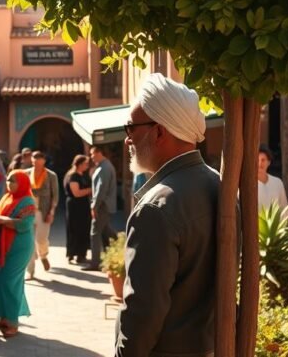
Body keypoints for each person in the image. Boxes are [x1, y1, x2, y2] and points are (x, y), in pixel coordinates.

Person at [115, 73, 221, 357]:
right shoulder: (217, 183)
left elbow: (143, 313)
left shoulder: (156, 208)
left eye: (130, 129)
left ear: (159, 132)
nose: (127, 141)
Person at [0, 169, 36, 338]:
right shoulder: (6, 198)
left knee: (10, 282)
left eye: (13, 180)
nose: (9, 183)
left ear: (22, 183)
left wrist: (4, 221)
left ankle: (12, 322)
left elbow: (25, 224)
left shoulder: (27, 202)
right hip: (0, 246)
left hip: (18, 249)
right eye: (8, 180)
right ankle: (3, 318)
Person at [85, 144, 118, 272]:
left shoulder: (104, 168)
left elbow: (101, 190)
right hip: (104, 205)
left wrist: (94, 206)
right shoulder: (104, 166)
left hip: (102, 206)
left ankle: (95, 263)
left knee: (95, 233)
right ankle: (117, 253)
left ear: (100, 153)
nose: (91, 157)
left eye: (93, 154)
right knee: (106, 231)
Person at [26, 151, 58, 279]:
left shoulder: (51, 175)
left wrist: (52, 212)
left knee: (41, 239)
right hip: (28, 211)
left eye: (39, 160)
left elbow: (55, 196)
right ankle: (30, 271)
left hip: (43, 212)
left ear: (44, 161)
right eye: (34, 160)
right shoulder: (26, 173)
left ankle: (43, 255)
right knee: (29, 241)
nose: (36, 162)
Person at [64, 155, 93, 264]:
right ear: (79, 164)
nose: (87, 165)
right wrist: (90, 189)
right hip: (75, 206)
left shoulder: (85, 175)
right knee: (74, 228)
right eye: (85, 163)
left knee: (84, 229)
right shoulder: (73, 176)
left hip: (84, 206)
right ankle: (72, 253)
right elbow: (76, 193)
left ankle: (82, 254)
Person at [257, 145, 288, 213]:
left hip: (274, 223)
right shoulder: (246, 184)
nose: (260, 164)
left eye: (263, 160)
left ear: (268, 162)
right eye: (257, 160)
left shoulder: (277, 182)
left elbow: (284, 209)